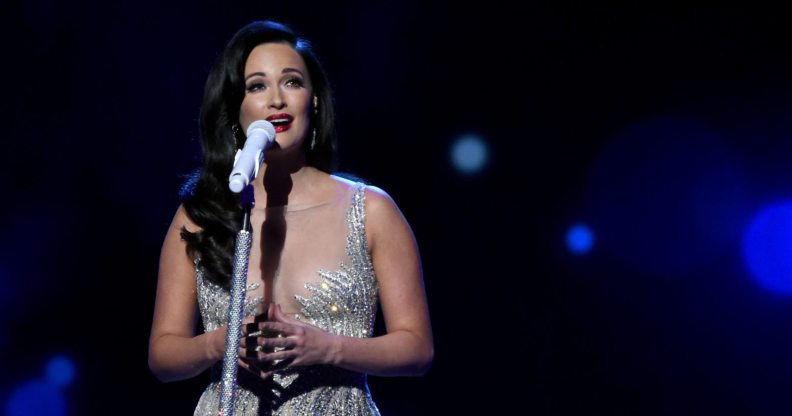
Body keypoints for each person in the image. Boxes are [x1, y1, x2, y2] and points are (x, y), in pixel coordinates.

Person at [148, 20, 433, 415]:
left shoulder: (370, 209)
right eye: (257, 86)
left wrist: (328, 347)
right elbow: (163, 356)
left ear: (313, 101)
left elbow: (417, 348)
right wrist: (221, 343)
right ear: (235, 109)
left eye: (292, 82)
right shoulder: (200, 216)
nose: (276, 100)